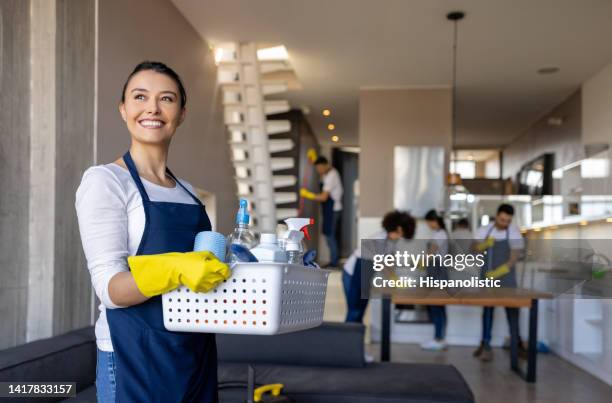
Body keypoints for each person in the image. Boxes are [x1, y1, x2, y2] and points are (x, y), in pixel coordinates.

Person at [76, 61, 230, 402]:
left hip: (195, 350)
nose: (153, 108)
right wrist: (176, 267)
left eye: (167, 99)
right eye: (140, 96)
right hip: (134, 357)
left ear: (182, 112)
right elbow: (110, 291)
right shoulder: (106, 181)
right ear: (123, 109)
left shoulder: (189, 191)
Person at [472, 203, 525, 362]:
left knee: (512, 311)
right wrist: (483, 245)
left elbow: (514, 258)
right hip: (486, 276)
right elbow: (473, 249)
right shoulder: (484, 230)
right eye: (502, 220)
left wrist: (499, 272)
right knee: (487, 310)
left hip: (506, 277)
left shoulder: (514, 233)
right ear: (497, 215)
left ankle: (517, 344)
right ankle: (486, 345)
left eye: (508, 221)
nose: (504, 223)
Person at [342, 210, 416, 323]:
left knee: (361, 310)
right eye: (402, 233)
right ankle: (347, 339)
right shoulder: (379, 239)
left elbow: (389, 263)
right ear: (399, 229)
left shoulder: (392, 241)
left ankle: (356, 339)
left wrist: (395, 279)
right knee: (355, 310)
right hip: (353, 273)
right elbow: (383, 265)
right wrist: (396, 281)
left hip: (364, 272)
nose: (402, 237)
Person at [300, 156, 344, 267]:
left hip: (333, 209)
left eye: (319, 168)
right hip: (329, 208)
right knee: (328, 234)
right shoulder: (327, 174)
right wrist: (314, 158)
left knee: (330, 235)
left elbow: (324, 197)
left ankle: (334, 262)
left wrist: (308, 195)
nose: (318, 171)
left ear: (326, 165)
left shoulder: (331, 176)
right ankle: (333, 260)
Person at [420, 210, 450, 351]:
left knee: (436, 306)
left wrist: (420, 263)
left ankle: (438, 338)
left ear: (433, 221)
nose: (428, 225)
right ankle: (439, 338)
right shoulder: (442, 233)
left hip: (437, 272)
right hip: (438, 271)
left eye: (428, 222)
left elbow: (430, 254)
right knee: (439, 306)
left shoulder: (439, 234)